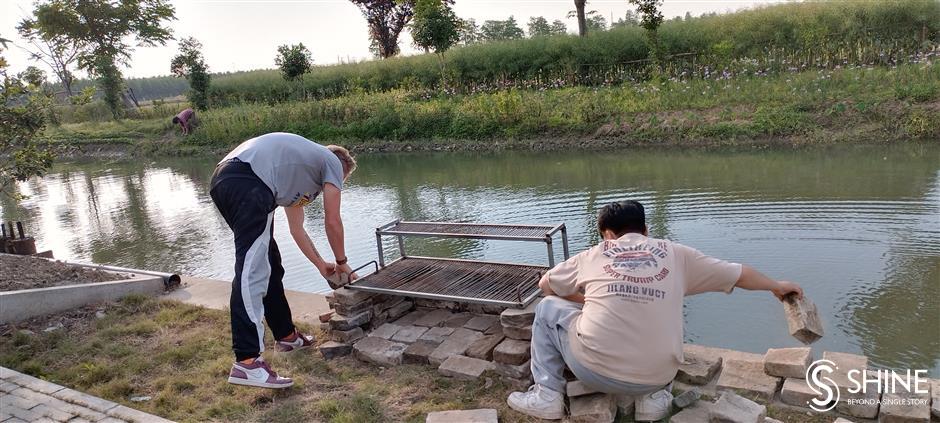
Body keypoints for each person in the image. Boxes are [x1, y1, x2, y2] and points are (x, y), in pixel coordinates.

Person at [507, 200, 803, 420]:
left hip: (595, 372)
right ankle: (653, 400)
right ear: (646, 230)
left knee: (547, 309)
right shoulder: (678, 255)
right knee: (659, 315)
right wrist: (776, 285)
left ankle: (547, 395)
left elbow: (546, 285)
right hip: (659, 374)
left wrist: (584, 301)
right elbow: (739, 274)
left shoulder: (594, 254)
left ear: (607, 235)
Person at [209, 132, 359, 389]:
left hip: (237, 181)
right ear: (341, 166)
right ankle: (247, 362)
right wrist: (342, 261)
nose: (334, 187)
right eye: (340, 181)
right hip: (245, 181)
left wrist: (321, 264)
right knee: (251, 271)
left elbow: (297, 229)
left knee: (270, 263)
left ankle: (287, 336)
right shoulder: (332, 161)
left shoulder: (298, 175)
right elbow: (333, 220)